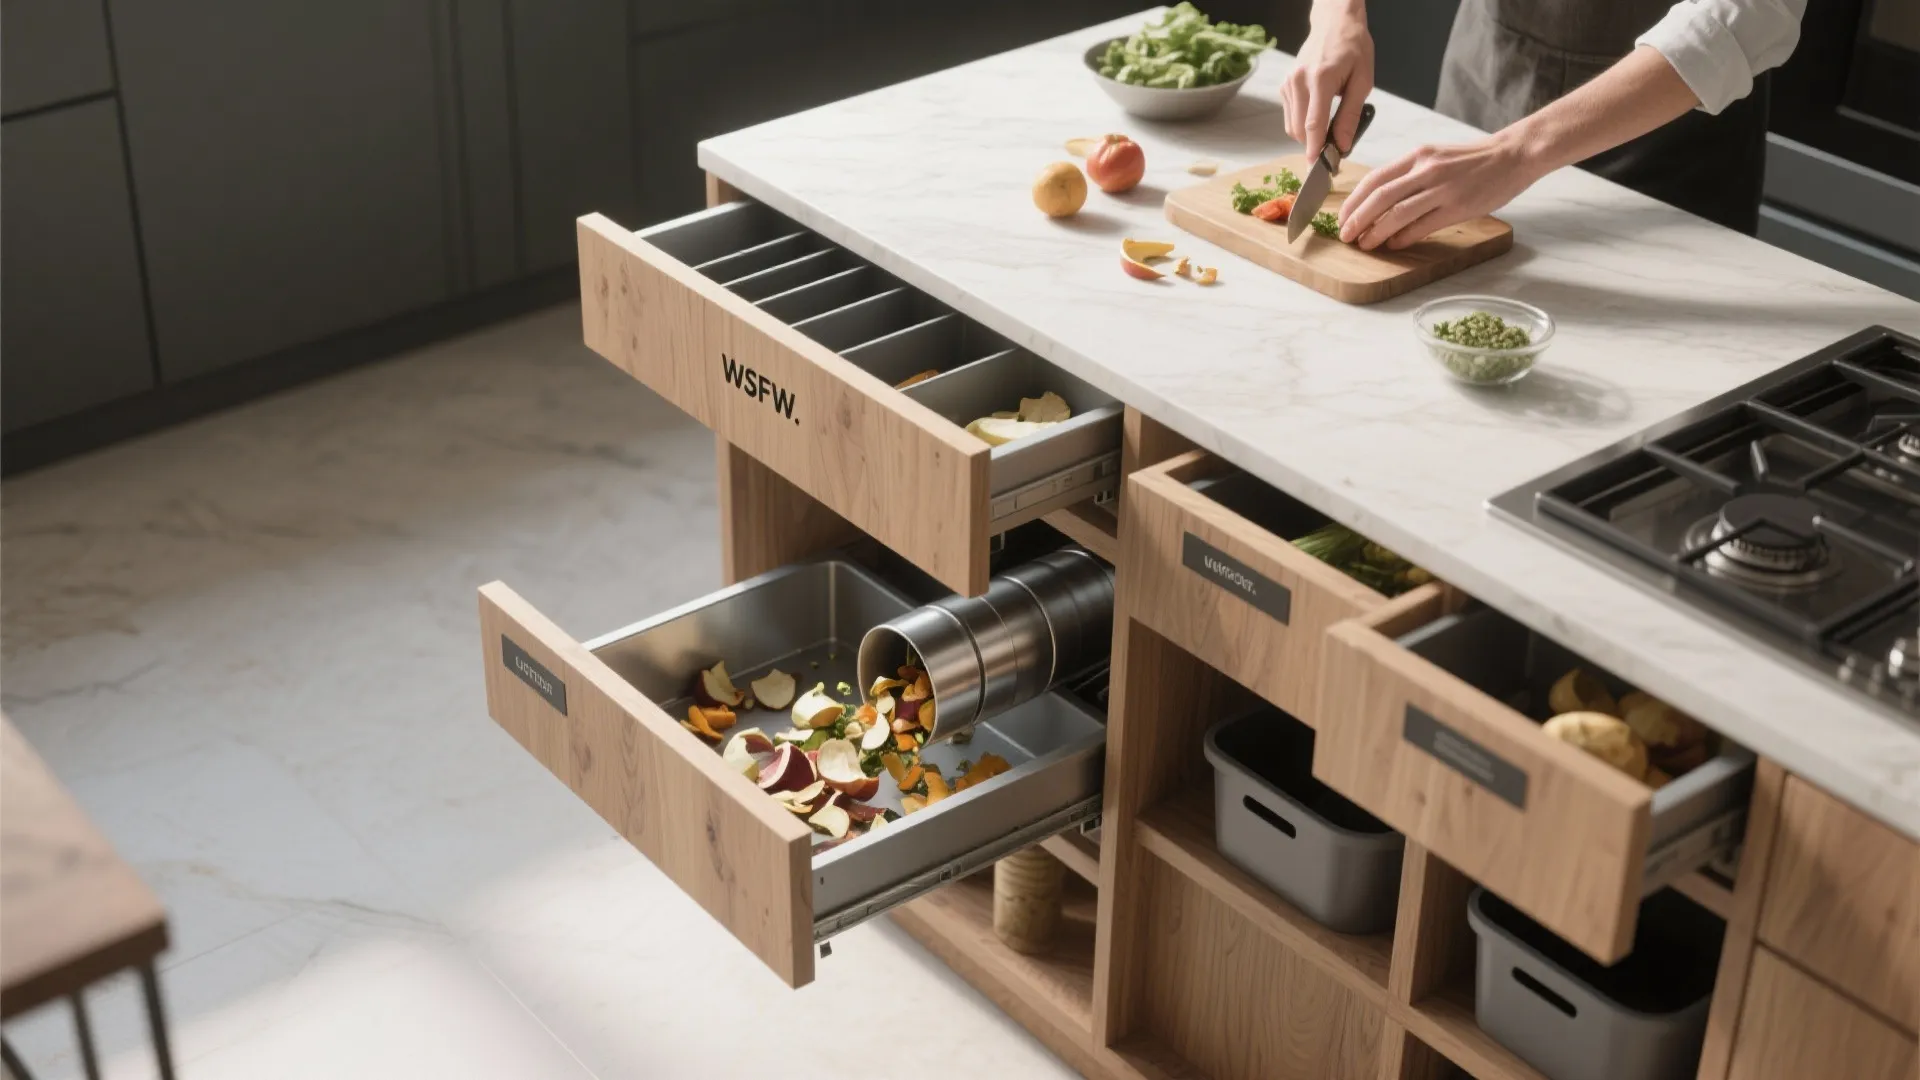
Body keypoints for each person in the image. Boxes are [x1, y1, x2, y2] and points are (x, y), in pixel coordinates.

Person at [1279, 0, 1807, 251]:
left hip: (1665, 127)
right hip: (1489, 71)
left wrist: (1517, 153)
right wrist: (1336, 16)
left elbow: (1752, 9)